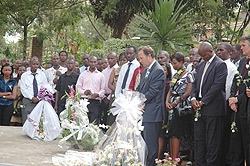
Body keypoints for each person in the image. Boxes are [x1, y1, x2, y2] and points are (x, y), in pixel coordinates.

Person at [191, 42, 227, 165]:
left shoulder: (220, 65)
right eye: (201, 56)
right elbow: (195, 84)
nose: (202, 58)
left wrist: (203, 102)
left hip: (213, 108)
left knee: (212, 141)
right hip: (199, 108)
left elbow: (216, 87)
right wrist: (193, 99)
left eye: (204, 55)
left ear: (211, 52)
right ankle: (200, 163)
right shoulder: (201, 65)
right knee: (199, 139)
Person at [136, 46, 166, 166]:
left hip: (153, 113)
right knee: (143, 144)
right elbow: (139, 89)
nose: (140, 60)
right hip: (144, 112)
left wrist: (139, 102)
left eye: (141, 58)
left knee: (151, 145)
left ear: (149, 56)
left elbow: (152, 92)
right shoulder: (146, 70)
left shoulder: (158, 70)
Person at [165, 52, 194, 161]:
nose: (174, 66)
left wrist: (175, 102)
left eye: (175, 63)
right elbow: (170, 90)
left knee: (177, 133)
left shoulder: (188, 74)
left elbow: (188, 92)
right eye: (172, 64)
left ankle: (176, 158)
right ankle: (172, 157)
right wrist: (167, 102)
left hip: (181, 106)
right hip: (172, 105)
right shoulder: (175, 75)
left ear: (181, 62)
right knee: (171, 132)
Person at [229, 34, 250, 166]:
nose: (241, 48)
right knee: (237, 143)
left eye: (243, 45)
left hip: (247, 106)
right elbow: (236, 81)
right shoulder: (242, 62)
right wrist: (232, 98)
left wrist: (238, 98)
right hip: (239, 108)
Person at [215, 42, 238, 165]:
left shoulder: (231, 68)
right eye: (217, 50)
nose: (218, 52)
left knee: (223, 134)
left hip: (224, 105)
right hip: (214, 105)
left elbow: (227, 88)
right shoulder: (215, 64)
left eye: (221, 50)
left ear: (230, 52)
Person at [20, 56, 50, 124]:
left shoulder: (42, 75)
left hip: (39, 100)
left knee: (38, 119)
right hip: (28, 100)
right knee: (27, 119)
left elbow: (45, 87)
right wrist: (31, 97)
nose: (35, 66)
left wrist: (39, 97)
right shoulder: (24, 75)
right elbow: (23, 89)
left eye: (37, 64)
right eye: (33, 64)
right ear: (30, 64)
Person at [76, 56, 105, 124]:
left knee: (94, 122)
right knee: (83, 122)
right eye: (91, 62)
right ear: (88, 62)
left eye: (94, 62)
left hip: (95, 102)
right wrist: (84, 92)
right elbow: (78, 87)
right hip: (84, 101)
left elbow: (103, 89)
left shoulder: (101, 75)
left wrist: (98, 94)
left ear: (97, 62)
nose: (93, 64)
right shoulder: (83, 74)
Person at [107, 52, 128, 125]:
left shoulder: (130, 70)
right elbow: (109, 84)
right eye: (121, 60)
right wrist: (117, 91)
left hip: (126, 96)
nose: (122, 62)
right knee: (113, 116)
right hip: (115, 94)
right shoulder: (116, 70)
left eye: (124, 60)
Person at [101, 52, 118, 125]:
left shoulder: (117, 69)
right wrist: (104, 96)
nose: (110, 60)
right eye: (109, 58)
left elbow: (116, 85)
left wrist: (109, 97)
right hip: (104, 97)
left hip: (112, 96)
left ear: (116, 59)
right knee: (104, 118)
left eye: (112, 58)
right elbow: (102, 84)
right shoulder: (104, 71)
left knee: (111, 118)